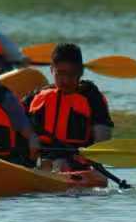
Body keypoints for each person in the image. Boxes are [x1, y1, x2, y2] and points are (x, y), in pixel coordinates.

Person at [24, 42, 115, 174]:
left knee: (58, 164)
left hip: (77, 160)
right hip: (43, 157)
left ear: (81, 73)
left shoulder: (91, 97)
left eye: (72, 74)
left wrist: (94, 156)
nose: (65, 80)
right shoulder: (38, 96)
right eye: (60, 73)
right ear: (51, 69)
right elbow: (16, 119)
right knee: (47, 163)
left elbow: (103, 131)